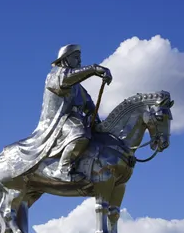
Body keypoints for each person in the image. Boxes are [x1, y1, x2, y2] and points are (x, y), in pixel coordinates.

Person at [7, 44, 112, 183]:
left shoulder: (78, 87)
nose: (79, 61)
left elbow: (89, 104)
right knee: (79, 134)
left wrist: (97, 121)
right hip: (58, 121)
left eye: (80, 58)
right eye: (76, 58)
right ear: (65, 59)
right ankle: (63, 169)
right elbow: (65, 80)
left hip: (75, 118)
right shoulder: (55, 74)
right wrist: (93, 69)